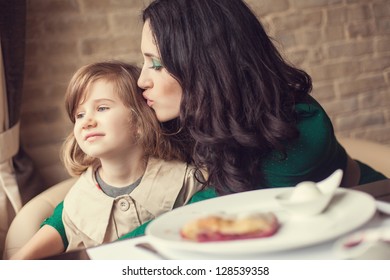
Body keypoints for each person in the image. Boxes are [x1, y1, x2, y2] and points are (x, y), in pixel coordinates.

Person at [20, 0, 387, 252]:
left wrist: (100, 261)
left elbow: (198, 216)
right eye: (143, 61)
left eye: (157, 63)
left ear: (205, 66)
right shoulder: (177, 119)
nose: (142, 79)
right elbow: (88, 197)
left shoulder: (300, 127)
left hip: (359, 221)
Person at [10, 61, 204, 259]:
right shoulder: (77, 200)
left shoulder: (185, 181)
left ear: (139, 121)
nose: (87, 122)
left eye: (102, 108)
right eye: (79, 114)